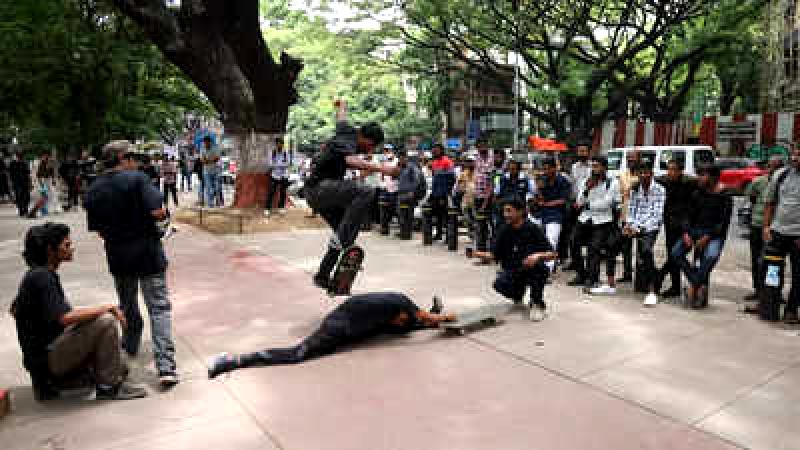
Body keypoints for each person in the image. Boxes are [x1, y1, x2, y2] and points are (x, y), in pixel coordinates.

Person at [10, 223, 147, 401]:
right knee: (105, 321)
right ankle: (108, 387)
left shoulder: (36, 275)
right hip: (48, 360)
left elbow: (14, 309)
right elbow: (65, 318)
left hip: (45, 358)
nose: (71, 248)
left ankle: (56, 383)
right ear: (50, 250)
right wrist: (109, 308)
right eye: (66, 245)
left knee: (121, 366)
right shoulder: (42, 277)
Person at [84, 140, 179, 387]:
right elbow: (158, 212)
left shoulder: (94, 189)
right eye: (134, 156)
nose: (136, 160)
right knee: (158, 308)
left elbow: (99, 231)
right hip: (148, 253)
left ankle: (129, 349)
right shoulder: (137, 179)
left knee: (127, 306)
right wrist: (162, 225)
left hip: (118, 257)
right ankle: (166, 368)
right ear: (123, 157)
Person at [207, 292, 455, 378]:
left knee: (395, 329)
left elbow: (414, 320)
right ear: (405, 311)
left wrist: (430, 321)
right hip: (338, 327)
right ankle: (233, 360)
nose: (402, 323)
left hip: (353, 325)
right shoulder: (401, 303)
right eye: (407, 318)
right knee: (297, 355)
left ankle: (426, 318)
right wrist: (442, 318)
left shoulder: (397, 307)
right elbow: (422, 317)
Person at [304, 122, 398, 290]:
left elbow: (344, 164)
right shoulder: (347, 139)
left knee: (345, 238)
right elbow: (350, 160)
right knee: (366, 191)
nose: (369, 151)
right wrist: (383, 169)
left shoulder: (345, 142)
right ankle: (341, 239)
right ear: (363, 137)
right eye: (370, 146)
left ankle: (322, 275)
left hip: (323, 196)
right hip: (318, 189)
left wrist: (364, 172)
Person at [468, 196, 557, 321]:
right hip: (513, 270)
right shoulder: (503, 230)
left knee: (539, 269)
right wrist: (476, 253)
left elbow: (553, 254)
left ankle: (537, 304)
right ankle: (518, 296)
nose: (506, 215)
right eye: (504, 211)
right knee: (499, 284)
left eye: (509, 211)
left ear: (520, 211)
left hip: (532, 269)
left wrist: (538, 256)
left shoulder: (533, 228)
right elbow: (494, 255)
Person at [670, 164, 733, 308]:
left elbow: (723, 223)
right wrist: (686, 232)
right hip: (694, 231)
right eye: (699, 174)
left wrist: (707, 236)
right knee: (675, 253)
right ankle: (696, 283)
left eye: (703, 175)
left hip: (714, 234)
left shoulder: (725, 195)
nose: (699, 178)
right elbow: (687, 215)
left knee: (710, 256)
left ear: (714, 177)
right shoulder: (697, 193)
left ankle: (693, 288)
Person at [568, 157, 622, 293]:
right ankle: (581, 273)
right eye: (593, 166)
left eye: (597, 166)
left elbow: (607, 203)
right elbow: (579, 201)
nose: (594, 169)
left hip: (603, 220)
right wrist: (586, 190)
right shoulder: (586, 181)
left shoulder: (612, 183)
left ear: (604, 167)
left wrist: (587, 204)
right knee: (573, 242)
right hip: (586, 217)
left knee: (594, 248)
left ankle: (592, 278)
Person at [762, 146, 800, 324]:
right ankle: (770, 305)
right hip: (778, 233)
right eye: (794, 154)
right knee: (772, 271)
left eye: (799, 155)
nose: (795, 158)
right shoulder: (781, 175)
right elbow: (770, 202)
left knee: (798, 275)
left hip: (798, 237)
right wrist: (767, 227)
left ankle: (791, 310)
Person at [742, 157, 784, 311]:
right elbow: (751, 198)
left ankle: (774, 292)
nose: (773, 169)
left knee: (774, 261)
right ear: (767, 167)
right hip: (758, 224)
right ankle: (758, 290)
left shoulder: (784, 182)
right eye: (771, 166)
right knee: (756, 259)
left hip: (777, 227)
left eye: (777, 166)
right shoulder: (758, 182)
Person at [623, 162, 666, 305]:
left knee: (646, 251)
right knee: (612, 243)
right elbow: (632, 210)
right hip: (636, 225)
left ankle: (653, 290)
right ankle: (609, 285)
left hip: (650, 227)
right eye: (641, 173)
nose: (643, 176)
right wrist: (629, 225)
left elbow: (657, 216)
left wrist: (639, 229)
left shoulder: (659, 189)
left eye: (646, 173)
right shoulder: (636, 189)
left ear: (651, 174)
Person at [655, 160, 697, 298]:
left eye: (674, 170)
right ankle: (675, 286)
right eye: (669, 169)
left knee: (676, 254)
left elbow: (698, 181)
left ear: (680, 171)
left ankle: (660, 275)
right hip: (670, 224)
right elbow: (653, 179)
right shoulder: (665, 181)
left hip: (684, 225)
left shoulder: (688, 183)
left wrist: (687, 229)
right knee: (671, 253)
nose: (670, 172)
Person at [531, 157, 571, 273]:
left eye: (548, 169)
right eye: (544, 169)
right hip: (541, 214)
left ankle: (547, 269)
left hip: (556, 215)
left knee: (551, 240)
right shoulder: (542, 179)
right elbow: (538, 200)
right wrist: (538, 189)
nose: (546, 171)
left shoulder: (563, 180)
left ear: (555, 168)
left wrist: (546, 204)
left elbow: (564, 200)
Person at [565, 143, 593, 271]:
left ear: (588, 152)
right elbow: (573, 185)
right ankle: (574, 261)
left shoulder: (594, 167)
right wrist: (572, 202)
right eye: (579, 151)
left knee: (586, 235)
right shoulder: (574, 167)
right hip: (575, 204)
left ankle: (588, 264)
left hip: (589, 205)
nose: (581, 153)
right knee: (571, 234)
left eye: (584, 151)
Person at [616, 151, 641, 284]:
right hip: (626, 214)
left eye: (633, 158)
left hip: (641, 216)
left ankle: (641, 274)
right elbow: (621, 195)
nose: (630, 161)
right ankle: (627, 273)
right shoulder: (622, 175)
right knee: (626, 246)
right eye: (628, 158)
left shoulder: (644, 174)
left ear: (639, 159)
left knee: (642, 246)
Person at [429, 144, 456, 241]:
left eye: (436, 150)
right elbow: (434, 177)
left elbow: (452, 177)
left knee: (446, 215)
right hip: (435, 192)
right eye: (434, 150)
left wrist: (447, 191)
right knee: (437, 214)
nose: (435, 152)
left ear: (441, 151)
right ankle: (439, 233)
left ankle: (449, 236)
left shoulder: (447, 161)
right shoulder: (434, 162)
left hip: (444, 193)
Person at [472, 139, 495, 250]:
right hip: (478, 195)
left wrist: (486, 201)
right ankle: (482, 250)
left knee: (491, 224)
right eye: (479, 146)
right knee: (480, 224)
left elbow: (491, 182)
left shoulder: (493, 158)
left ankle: (493, 250)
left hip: (489, 198)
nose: (481, 148)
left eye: (483, 146)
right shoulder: (477, 157)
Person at [265, 138, 291, 216]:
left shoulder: (286, 153)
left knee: (283, 192)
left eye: (281, 144)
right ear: (276, 144)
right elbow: (270, 164)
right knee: (271, 192)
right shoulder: (272, 153)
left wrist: (276, 165)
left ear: (283, 145)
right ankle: (267, 208)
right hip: (274, 176)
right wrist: (281, 165)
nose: (279, 145)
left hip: (284, 176)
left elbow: (288, 164)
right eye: (278, 144)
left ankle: (281, 208)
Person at [9, 152, 32, 217]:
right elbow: (10, 174)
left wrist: (30, 183)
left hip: (25, 182)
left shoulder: (25, 163)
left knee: (27, 196)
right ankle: (21, 210)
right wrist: (10, 183)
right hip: (16, 183)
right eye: (18, 157)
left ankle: (25, 209)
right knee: (19, 196)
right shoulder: (12, 164)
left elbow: (28, 173)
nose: (19, 158)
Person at [201, 136, 221, 208]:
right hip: (206, 172)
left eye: (207, 142)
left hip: (216, 171)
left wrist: (208, 160)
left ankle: (218, 202)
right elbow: (203, 161)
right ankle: (210, 203)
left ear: (210, 142)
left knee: (217, 188)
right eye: (204, 142)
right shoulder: (202, 150)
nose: (205, 144)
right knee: (209, 188)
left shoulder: (215, 148)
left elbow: (217, 158)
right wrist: (210, 160)